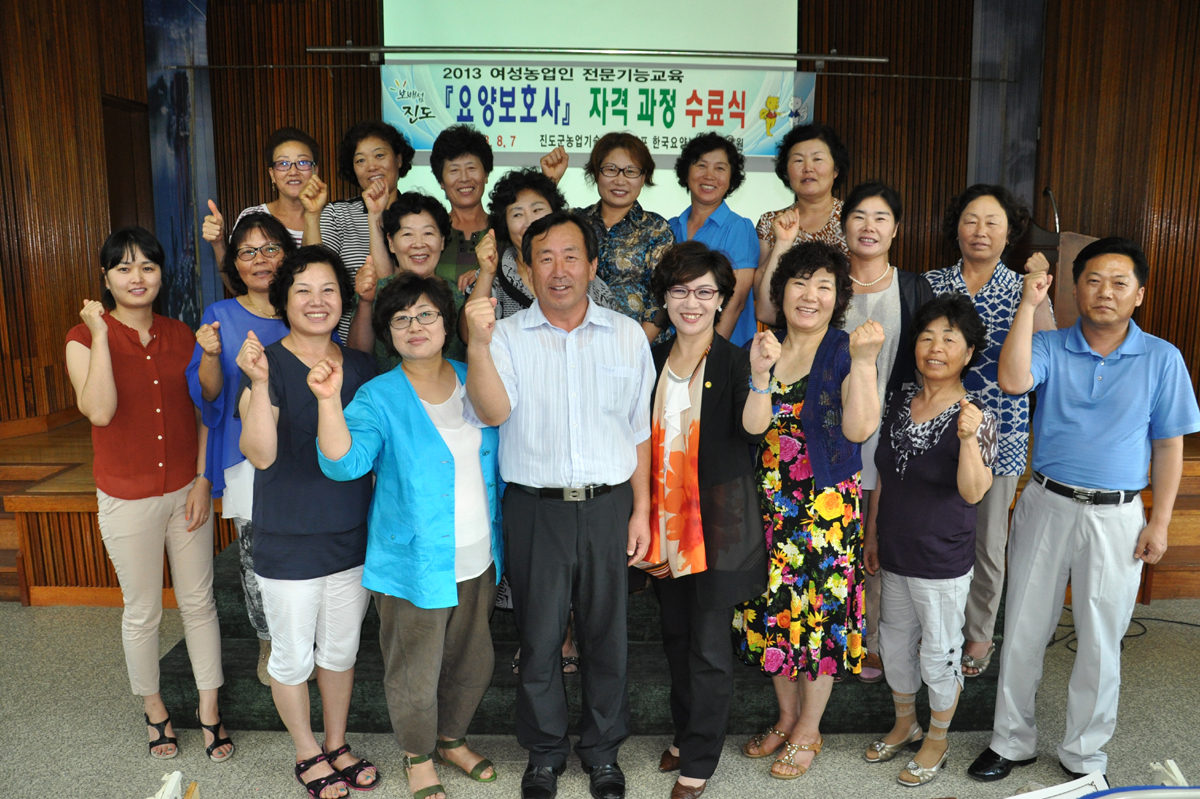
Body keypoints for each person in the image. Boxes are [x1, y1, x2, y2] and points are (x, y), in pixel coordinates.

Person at [969, 238, 1200, 782]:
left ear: (1139, 294)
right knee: (1023, 628)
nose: (1105, 292)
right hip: (1046, 504)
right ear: (1075, 290)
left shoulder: (1163, 357)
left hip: (1117, 516)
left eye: (1120, 282)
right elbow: (1012, 380)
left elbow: (1169, 445)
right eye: (1093, 280)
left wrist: (1160, 522)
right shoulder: (1050, 344)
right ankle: (1010, 740)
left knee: (1101, 639)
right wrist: (1028, 304)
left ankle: (1083, 754)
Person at [461, 210, 655, 799]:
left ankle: (603, 753)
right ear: (525, 270)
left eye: (571, 256)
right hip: (535, 508)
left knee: (606, 638)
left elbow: (639, 431)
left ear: (593, 266)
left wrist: (641, 511)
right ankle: (544, 754)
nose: (559, 269)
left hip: (607, 506)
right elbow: (492, 412)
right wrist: (477, 343)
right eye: (544, 258)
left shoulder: (627, 335)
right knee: (540, 638)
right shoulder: (506, 337)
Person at [315, 272, 502, 799]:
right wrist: (328, 401)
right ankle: (418, 755)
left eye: (425, 314)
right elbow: (344, 464)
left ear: (447, 323)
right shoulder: (378, 395)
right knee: (414, 670)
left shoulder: (473, 375)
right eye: (400, 319)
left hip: (479, 555)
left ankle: (452, 739)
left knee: (472, 661)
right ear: (387, 333)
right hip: (413, 563)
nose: (414, 325)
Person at [65, 227, 232, 763]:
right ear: (106, 277)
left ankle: (209, 711)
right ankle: (155, 710)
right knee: (142, 612)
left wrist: (204, 479)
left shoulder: (181, 334)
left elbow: (205, 410)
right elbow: (100, 411)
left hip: (187, 490)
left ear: (162, 275)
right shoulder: (82, 337)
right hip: (127, 497)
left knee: (199, 604)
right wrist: (99, 333)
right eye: (123, 268)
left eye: (148, 267)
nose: (137, 277)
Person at [733, 240, 885, 780]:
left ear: (838, 297)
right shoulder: (762, 346)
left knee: (817, 618)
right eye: (800, 282)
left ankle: (809, 729)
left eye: (824, 285)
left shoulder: (846, 349)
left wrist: (864, 364)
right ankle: (785, 717)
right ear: (781, 292)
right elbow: (750, 428)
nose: (810, 294)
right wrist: (759, 373)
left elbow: (860, 430)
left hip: (825, 512)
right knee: (775, 614)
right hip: (767, 505)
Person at [236, 246, 380, 798]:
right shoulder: (266, 363)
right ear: (283, 300)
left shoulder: (361, 366)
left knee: (340, 651)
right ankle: (306, 751)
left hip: (351, 537)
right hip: (289, 538)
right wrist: (258, 384)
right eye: (303, 290)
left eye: (328, 290)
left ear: (343, 299)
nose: (317, 301)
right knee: (293, 656)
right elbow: (260, 454)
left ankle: (336, 744)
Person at [643, 241, 772, 799]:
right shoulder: (651, 358)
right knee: (676, 637)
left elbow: (752, 430)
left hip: (714, 526)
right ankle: (684, 733)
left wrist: (761, 378)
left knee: (709, 648)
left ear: (721, 300)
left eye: (703, 292)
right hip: (661, 523)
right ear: (665, 298)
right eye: (680, 291)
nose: (691, 302)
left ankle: (699, 758)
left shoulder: (735, 360)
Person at [862, 294, 997, 787]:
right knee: (895, 644)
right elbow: (884, 475)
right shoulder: (898, 402)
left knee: (939, 653)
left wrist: (967, 439)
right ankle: (906, 723)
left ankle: (938, 737)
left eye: (949, 339)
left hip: (941, 559)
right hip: (894, 549)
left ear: (969, 352)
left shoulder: (977, 416)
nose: (935, 347)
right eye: (926, 337)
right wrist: (872, 533)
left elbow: (974, 491)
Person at [924, 185, 1056, 677]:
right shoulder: (931, 283)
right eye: (971, 220)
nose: (980, 231)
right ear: (956, 228)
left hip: (999, 428)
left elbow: (1048, 349)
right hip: (934, 422)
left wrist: (1038, 291)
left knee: (987, 539)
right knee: (931, 527)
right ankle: (931, 627)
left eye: (992, 222)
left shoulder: (1023, 287)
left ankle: (979, 633)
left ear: (1009, 233)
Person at [187, 212, 296, 685]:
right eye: (248, 252)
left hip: (302, 450)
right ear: (234, 262)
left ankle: (303, 638)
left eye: (271, 248)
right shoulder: (220, 314)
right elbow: (209, 394)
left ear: (287, 256)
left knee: (302, 546)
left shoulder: (304, 306)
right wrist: (211, 355)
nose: (261, 260)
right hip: (245, 454)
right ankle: (267, 640)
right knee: (256, 556)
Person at [839, 181, 935, 684]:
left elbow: (929, 361)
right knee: (835, 535)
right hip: (834, 428)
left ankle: (872, 641)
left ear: (896, 229)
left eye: (881, 218)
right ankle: (836, 639)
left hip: (892, 429)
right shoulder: (825, 283)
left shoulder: (914, 288)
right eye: (859, 215)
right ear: (844, 225)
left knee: (875, 538)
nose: (869, 226)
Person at [300, 120, 416, 340]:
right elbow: (314, 268)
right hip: (349, 341)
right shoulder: (338, 213)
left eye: (379, 155)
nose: (371, 166)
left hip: (411, 336)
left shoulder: (418, 214)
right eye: (360, 160)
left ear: (399, 159)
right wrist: (312, 215)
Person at [463, 167, 617, 328]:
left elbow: (609, 329)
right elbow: (470, 333)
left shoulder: (583, 276)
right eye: (517, 214)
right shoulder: (493, 277)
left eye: (537, 210)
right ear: (505, 224)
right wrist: (487, 273)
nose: (529, 222)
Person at [574, 132, 675, 342]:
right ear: (596, 173)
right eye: (611, 169)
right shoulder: (575, 223)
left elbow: (662, 299)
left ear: (643, 178)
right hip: (577, 342)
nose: (620, 180)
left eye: (631, 171)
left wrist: (633, 349)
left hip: (639, 346)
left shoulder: (657, 229)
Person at [350, 192, 466, 368]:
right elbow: (357, 356)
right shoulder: (375, 292)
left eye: (428, 233)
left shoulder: (459, 294)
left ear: (442, 241)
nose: (418, 244)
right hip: (388, 385)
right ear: (391, 243)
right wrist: (366, 303)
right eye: (407, 234)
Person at [753, 123, 851, 326]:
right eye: (798, 160)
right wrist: (781, 244)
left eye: (817, 159)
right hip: (786, 333)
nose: (808, 168)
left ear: (835, 170)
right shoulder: (770, 222)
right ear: (786, 172)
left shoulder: (853, 219)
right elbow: (759, 292)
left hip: (844, 329)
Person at [668, 133, 760, 346]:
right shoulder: (669, 227)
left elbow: (736, 302)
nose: (709, 176)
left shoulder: (739, 227)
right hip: (677, 349)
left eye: (720, 168)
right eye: (701, 165)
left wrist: (708, 354)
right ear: (686, 172)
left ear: (731, 178)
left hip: (724, 349)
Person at [202, 126, 321, 267]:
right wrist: (218, 243)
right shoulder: (252, 216)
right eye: (283, 164)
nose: (293, 171)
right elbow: (235, 278)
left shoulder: (333, 218)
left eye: (302, 162)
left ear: (315, 171)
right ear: (272, 174)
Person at [430, 124, 493, 287]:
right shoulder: (431, 231)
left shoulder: (505, 229)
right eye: (454, 170)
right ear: (441, 181)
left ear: (486, 174)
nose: (464, 178)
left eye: (471, 168)